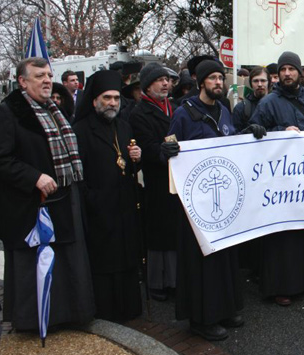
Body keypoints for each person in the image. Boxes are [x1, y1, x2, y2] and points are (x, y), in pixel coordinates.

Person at [164, 60, 266, 340]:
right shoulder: (184, 114)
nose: (218, 82)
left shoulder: (224, 111)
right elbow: (171, 151)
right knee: (202, 261)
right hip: (197, 203)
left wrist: (249, 134)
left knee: (224, 255)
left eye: (221, 78)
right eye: (212, 78)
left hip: (223, 199)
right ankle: (202, 318)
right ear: (201, 82)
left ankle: (225, 308)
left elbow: (229, 143)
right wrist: (167, 150)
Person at [0, 57, 95, 331]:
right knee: (37, 263)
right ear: (22, 81)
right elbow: (2, 159)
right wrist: (34, 177)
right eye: (39, 75)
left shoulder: (55, 108)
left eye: (49, 74)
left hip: (64, 199)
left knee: (67, 261)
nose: (46, 80)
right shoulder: (8, 112)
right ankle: (36, 320)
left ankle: (69, 315)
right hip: (30, 205)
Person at [250, 51, 304, 306]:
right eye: (283, 69)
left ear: (300, 72)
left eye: (292, 69)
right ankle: (281, 287)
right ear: (277, 75)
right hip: (279, 183)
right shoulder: (267, 103)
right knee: (282, 237)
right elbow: (254, 134)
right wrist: (280, 131)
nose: (288, 73)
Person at [73, 70, 143, 322]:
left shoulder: (123, 126)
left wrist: (137, 159)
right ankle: (108, 313)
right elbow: (77, 174)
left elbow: (126, 164)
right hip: (98, 208)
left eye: (116, 98)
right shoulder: (80, 130)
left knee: (126, 257)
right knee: (105, 262)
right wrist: (91, 200)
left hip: (124, 204)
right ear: (94, 101)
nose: (113, 103)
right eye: (107, 98)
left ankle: (130, 308)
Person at [129, 63, 179, 302]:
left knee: (174, 228)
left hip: (177, 175)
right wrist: (161, 151)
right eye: (160, 80)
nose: (166, 84)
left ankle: (175, 278)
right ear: (148, 85)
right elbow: (145, 146)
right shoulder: (139, 113)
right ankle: (157, 281)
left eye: (167, 80)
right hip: (157, 178)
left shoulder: (175, 107)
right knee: (159, 231)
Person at [232, 66, 269, 132]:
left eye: (263, 81)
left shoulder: (276, 105)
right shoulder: (241, 108)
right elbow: (234, 135)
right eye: (255, 81)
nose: (259, 84)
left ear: (269, 82)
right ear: (251, 84)